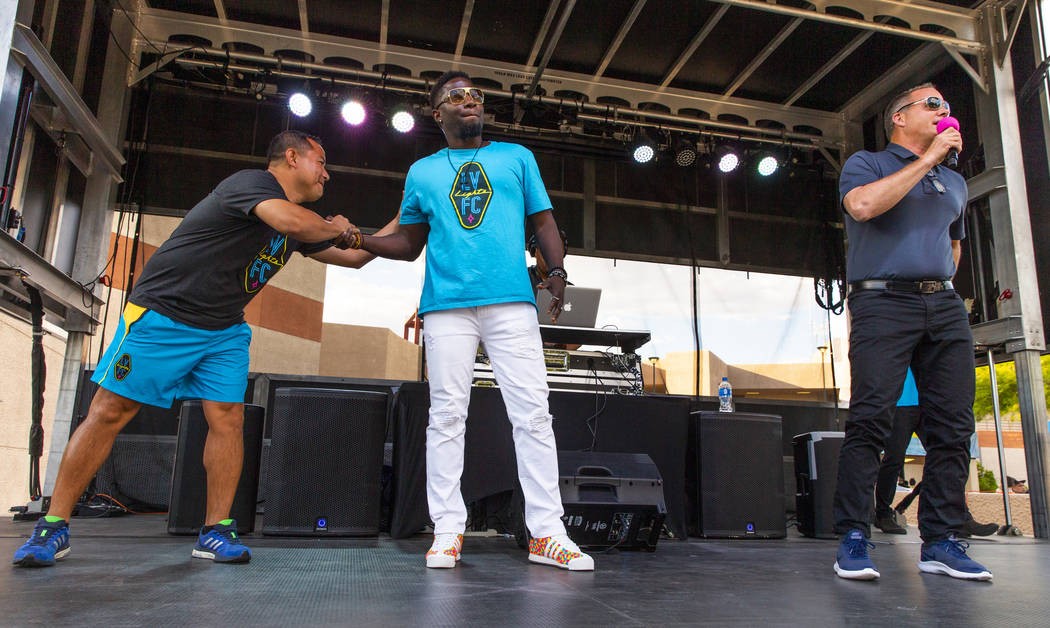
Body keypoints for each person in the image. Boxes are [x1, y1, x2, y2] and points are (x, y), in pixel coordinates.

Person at [13, 131, 396, 567]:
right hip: (164, 316)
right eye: (321, 162)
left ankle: (216, 531)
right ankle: (53, 526)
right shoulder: (252, 185)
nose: (327, 173)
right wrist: (336, 227)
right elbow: (292, 222)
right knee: (109, 411)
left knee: (228, 420)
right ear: (291, 157)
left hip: (224, 330)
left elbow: (357, 257)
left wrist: (409, 208)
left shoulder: (301, 222)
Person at [354, 71, 594, 571]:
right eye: (455, 97)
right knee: (445, 416)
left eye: (475, 95)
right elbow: (409, 242)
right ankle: (447, 531)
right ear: (436, 112)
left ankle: (547, 534)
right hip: (447, 308)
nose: (469, 102)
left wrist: (557, 271)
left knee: (532, 415)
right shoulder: (422, 172)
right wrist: (362, 240)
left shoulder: (516, 157)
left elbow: (544, 221)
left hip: (510, 302)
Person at [831, 83, 991, 581]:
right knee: (871, 419)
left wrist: (941, 285)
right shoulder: (868, 163)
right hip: (882, 300)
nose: (946, 112)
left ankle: (941, 540)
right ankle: (854, 536)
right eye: (934, 105)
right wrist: (929, 159)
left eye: (947, 105)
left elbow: (954, 245)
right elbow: (862, 207)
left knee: (953, 425)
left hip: (941, 304)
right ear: (900, 117)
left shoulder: (955, 183)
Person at [873, 368, 998, 537]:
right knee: (894, 458)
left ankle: (959, 517)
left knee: (949, 455)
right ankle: (882, 514)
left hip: (932, 400)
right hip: (900, 400)